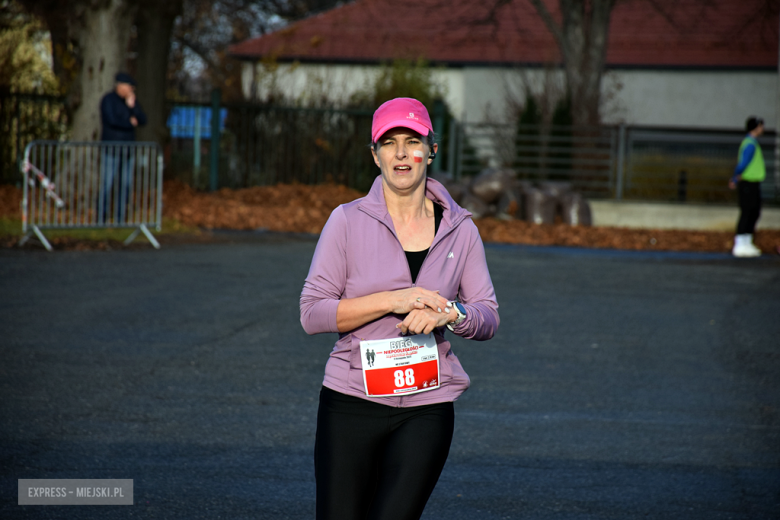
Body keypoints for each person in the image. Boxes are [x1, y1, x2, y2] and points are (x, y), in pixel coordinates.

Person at [300, 97, 499, 520]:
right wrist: (395, 299)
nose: (402, 153)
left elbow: (487, 315)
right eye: (389, 143)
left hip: (427, 407)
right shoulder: (346, 221)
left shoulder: (460, 229)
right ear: (375, 155)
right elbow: (312, 313)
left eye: (412, 141)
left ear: (432, 149)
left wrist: (451, 313)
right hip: (350, 402)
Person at [99, 72, 147, 223]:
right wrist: (129, 122)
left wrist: (132, 108)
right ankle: (101, 218)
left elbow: (143, 120)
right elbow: (112, 120)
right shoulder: (109, 100)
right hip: (111, 148)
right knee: (107, 184)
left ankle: (120, 218)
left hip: (128, 150)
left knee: (125, 184)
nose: (132, 90)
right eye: (130, 87)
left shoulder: (131, 102)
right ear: (120, 85)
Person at [729, 116, 765, 257]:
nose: (762, 129)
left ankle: (747, 241)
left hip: (753, 182)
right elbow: (743, 163)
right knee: (747, 212)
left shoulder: (752, 143)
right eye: (761, 126)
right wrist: (735, 177)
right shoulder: (750, 143)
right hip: (748, 182)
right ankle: (740, 243)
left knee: (753, 212)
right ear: (755, 127)